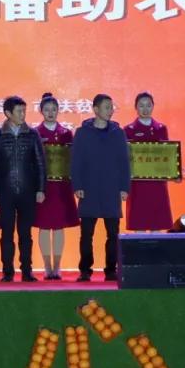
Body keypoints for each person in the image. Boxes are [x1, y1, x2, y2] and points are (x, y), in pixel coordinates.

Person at [70, 94, 131, 282]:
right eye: (106, 107)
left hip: (111, 188)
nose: (110, 111)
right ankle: (85, 270)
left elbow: (124, 162)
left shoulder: (118, 133)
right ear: (95, 109)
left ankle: (111, 270)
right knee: (86, 234)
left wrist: (124, 187)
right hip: (88, 189)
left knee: (113, 233)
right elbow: (76, 162)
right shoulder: (82, 133)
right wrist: (77, 185)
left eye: (111, 107)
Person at [0, 96, 47, 282]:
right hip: (5, 192)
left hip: (28, 191)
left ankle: (27, 271)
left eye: (24, 111)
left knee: (25, 234)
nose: (23, 114)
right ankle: (7, 272)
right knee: (6, 234)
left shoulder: (32, 134)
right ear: (8, 113)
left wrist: (41, 189)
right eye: (19, 111)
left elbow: (40, 163)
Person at [34, 93, 78, 280]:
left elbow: (73, 161)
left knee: (59, 227)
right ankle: (47, 267)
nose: (50, 113)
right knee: (44, 227)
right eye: (47, 110)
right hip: (43, 187)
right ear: (41, 111)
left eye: (54, 109)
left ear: (58, 111)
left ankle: (57, 266)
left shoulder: (66, 133)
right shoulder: (35, 133)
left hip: (61, 187)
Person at [123, 92, 174, 231]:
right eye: (141, 106)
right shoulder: (128, 130)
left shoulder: (161, 128)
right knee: (139, 223)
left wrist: (173, 172)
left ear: (153, 106)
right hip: (137, 184)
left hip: (157, 183)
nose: (145, 109)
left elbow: (168, 155)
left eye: (148, 105)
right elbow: (125, 159)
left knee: (157, 224)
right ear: (136, 107)